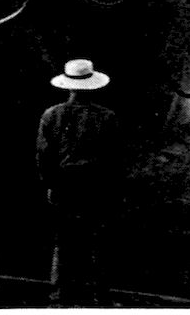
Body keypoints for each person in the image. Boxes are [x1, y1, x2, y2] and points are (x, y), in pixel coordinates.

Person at [36, 59, 122, 306]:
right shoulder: (107, 117)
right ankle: (99, 296)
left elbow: (43, 156)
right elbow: (115, 158)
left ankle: (59, 297)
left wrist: (50, 185)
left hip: (64, 186)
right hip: (96, 187)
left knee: (63, 243)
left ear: (68, 86)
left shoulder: (51, 115)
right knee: (97, 242)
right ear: (93, 85)